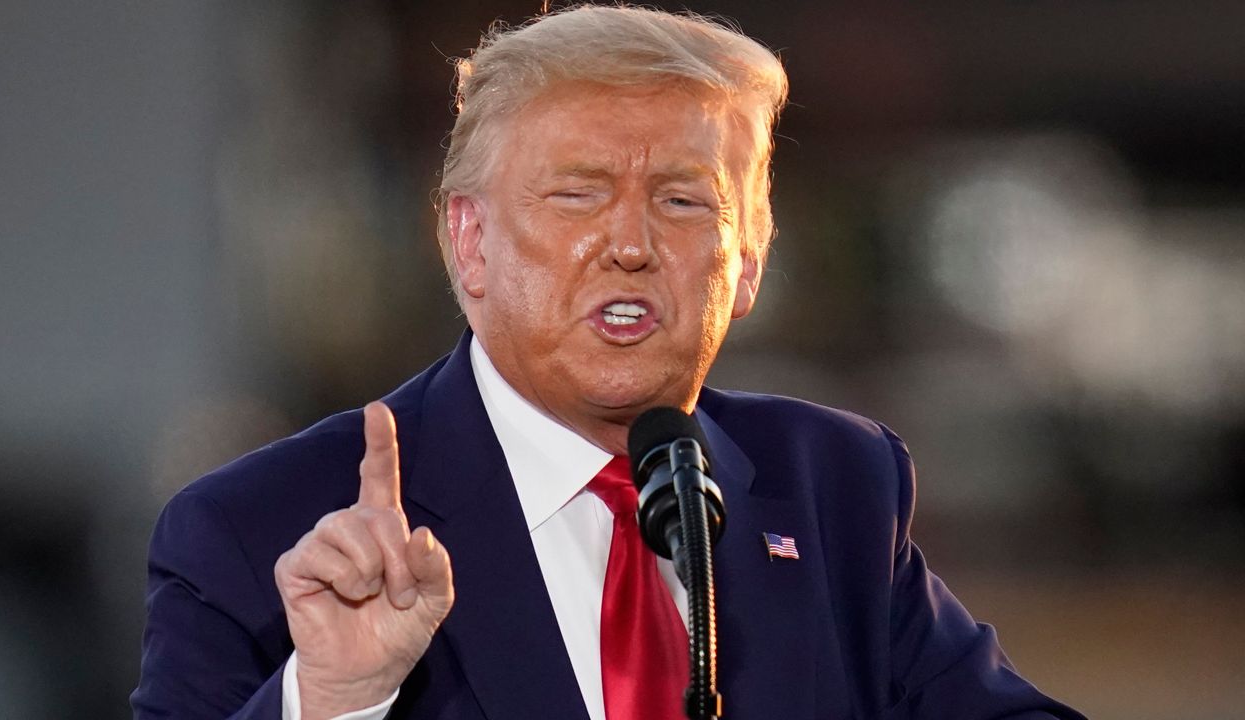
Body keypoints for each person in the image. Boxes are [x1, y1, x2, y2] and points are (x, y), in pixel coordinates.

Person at [132, 6, 1085, 720]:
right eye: (578, 195)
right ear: (469, 244)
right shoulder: (258, 531)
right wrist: (334, 700)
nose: (629, 243)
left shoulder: (830, 486)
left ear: (748, 257)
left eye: (682, 202)